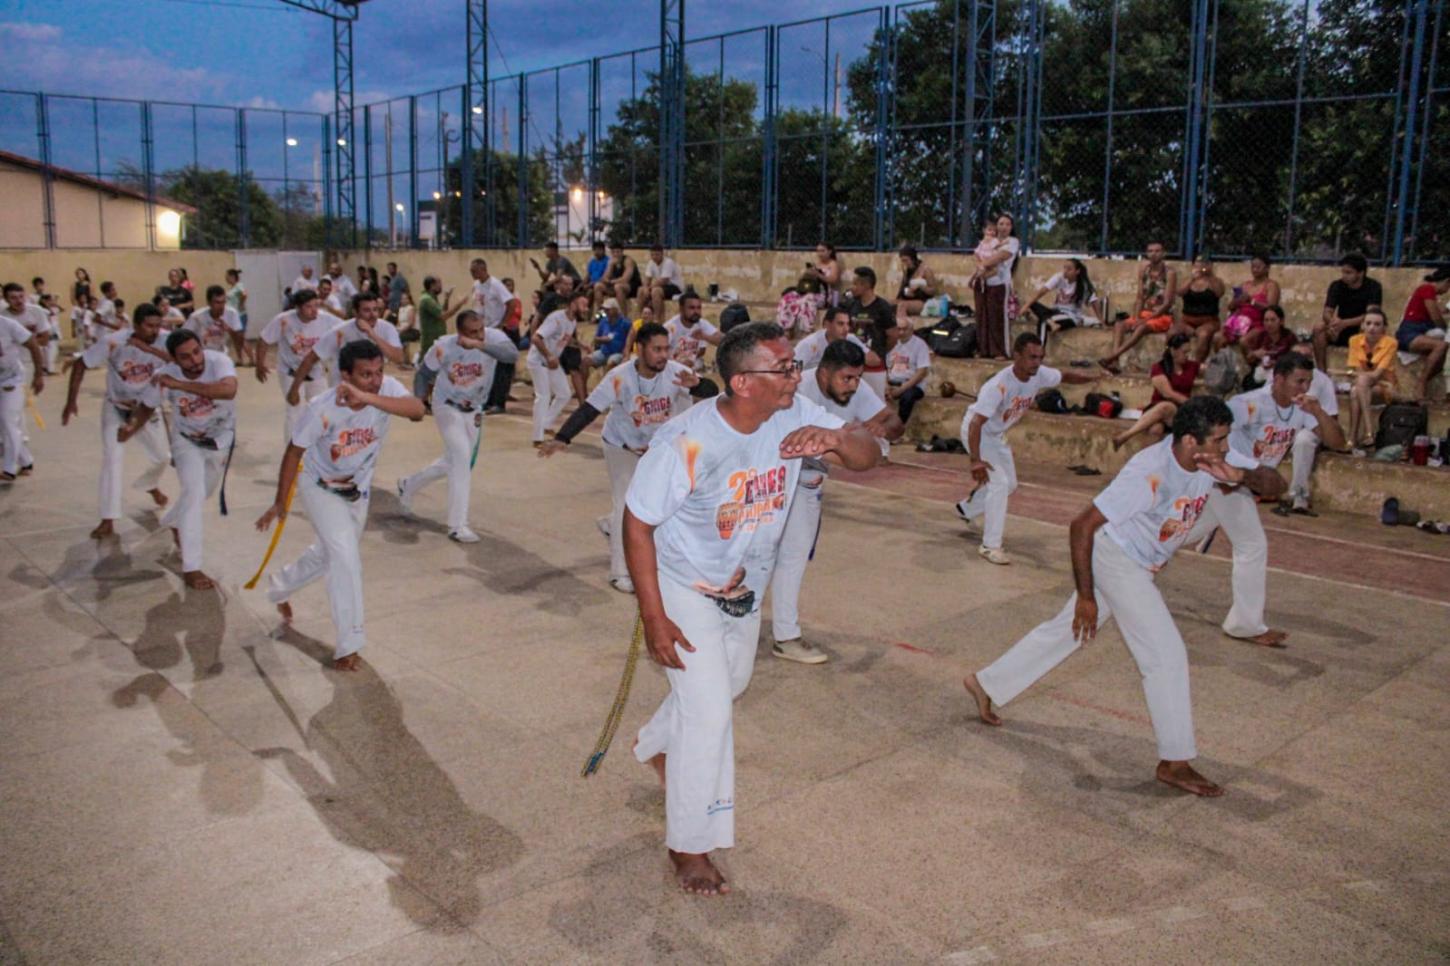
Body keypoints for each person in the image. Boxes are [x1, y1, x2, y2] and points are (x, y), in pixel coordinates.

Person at [623, 321, 880, 896]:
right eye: (783, 368)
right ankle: (689, 845)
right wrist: (653, 616)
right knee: (711, 711)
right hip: (682, 586)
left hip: (742, 589)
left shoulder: (792, 417)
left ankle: (657, 743)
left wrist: (835, 440)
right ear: (742, 382)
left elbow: (871, 453)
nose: (796, 375)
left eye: (794, 365)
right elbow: (637, 522)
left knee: (729, 684)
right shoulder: (687, 441)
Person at [963, 396, 1284, 797]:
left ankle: (986, 684)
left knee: (1068, 632)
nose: (1224, 446)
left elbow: (1277, 485)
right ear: (1189, 441)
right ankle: (1175, 761)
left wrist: (1240, 475)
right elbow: (1081, 526)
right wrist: (1086, 597)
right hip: (1115, 559)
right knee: (1165, 655)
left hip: (1142, 562)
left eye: (1225, 439)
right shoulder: (1148, 473)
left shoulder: (1218, 454)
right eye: (1218, 440)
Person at [257, 340, 423, 672]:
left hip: (357, 489)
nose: (375, 380)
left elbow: (418, 411)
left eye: (378, 373)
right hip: (319, 488)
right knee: (345, 558)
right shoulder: (322, 407)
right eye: (365, 375)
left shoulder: (384, 389)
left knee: (328, 553)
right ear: (344, 375)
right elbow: (294, 452)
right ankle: (349, 642)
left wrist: (369, 396)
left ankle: (280, 587)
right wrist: (280, 500)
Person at [538, 321, 699, 591]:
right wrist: (562, 438)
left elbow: (712, 396)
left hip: (656, 450)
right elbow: (590, 408)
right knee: (626, 505)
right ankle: (620, 573)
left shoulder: (677, 373)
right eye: (656, 349)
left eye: (666, 349)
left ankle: (610, 525)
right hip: (620, 447)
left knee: (663, 504)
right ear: (640, 349)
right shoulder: (620, 376)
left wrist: (698, 385)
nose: (663, 355)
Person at [769, 340, 901, 664]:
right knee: (753, 551)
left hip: (808, 480)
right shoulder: (797, 390)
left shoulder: (857, 390)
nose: (854, 386)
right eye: (847, 379)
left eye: (858, 378)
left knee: (794, 556)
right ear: (824, 373)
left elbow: (895, 425)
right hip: (771, 476)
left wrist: (877, 427)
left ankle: (785, 636)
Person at [1203, 353, 1346, 645]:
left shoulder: (1303, 408)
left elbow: (1337, 442)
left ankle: (1245, 624)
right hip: (1221, 480)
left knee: (1183, 533)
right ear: (1278, 379)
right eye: (1298, 381)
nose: (1303, 387)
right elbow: (1212, 435)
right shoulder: (1249, 404)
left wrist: (1318, 412)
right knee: (1250, 545)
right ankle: (1245, 624)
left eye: (1308, 382)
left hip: (1242, 485)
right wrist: (1240, 471)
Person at [956, 333, 1102, 565]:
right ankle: (990, 545)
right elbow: (976, 423)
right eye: (1031, 357)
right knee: (1000, 484)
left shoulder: (1040, 374)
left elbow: (1064, 376)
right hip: (978, 433)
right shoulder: (998, 385)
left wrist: (1091, 378)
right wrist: (975, 460)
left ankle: (967, 508)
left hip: (995, 435)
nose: (1036, 362)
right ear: (1017, 356)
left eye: (1040, 357)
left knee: (1010, 484)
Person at [125, 329, 237, 589]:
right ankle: (192, 566)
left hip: (220, 439)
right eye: (185, 357)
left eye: (197, 352)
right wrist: (132, 427)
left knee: (202, 493)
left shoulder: (219, 362)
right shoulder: (162, 376)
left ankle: (172, 521)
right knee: (194, 493)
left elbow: (228, 391)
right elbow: (146, 406)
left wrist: (180, 386)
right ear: (174, 360)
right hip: (187, 442)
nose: (195, 360)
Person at [398, 310, 519, 543]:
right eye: (473, 332)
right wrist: (418, 400)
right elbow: (423, 374)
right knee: (461, 457)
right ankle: (457, 525)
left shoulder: (492, 338)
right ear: (460, 333)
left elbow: (511, 355)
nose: (479, 334)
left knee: (455, 462)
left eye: (481, 329)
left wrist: (480, 344)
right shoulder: (444, 347)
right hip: (447, 406)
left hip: (474, 408)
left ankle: (409, 483)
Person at [61, 303, 172, 537]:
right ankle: (108, 518)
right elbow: (81, 365)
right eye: (149, 326)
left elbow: (179, 363)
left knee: (162, 457)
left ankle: (148, 484)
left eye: (158, 325)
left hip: (147, 408)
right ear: (135, 325)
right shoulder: (114, 341)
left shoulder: (166, 340)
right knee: (112, 459)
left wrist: (148, 349)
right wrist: (71, 401)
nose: (154, 330)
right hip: (116, 407)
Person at [286, 292, 403, 403]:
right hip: (342, 391)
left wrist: (372, 334)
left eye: (375, 310)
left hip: (371, 391)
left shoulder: (387, 329)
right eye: (366, 310)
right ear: (355, 312)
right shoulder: (339, 331)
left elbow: (398, 358)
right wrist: (294, 388)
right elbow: (310, 359)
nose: (372, 315)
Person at [254, 290, 338, 442]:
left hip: (316, 371)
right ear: (298, 308)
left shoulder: (325, 319)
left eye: (315, 305)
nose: (314, 310)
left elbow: (345, 327)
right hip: (290, 372)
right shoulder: (284, 320)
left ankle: (318, 446)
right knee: (294, 411)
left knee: (321, 409)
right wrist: (259, 364)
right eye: (308, 307)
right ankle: (292, 452)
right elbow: (264, 339)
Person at [1099, 240, 1178, 372]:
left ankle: (1112, 357)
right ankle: (1115, 362)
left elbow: (1167, 303)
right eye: (1151, 251)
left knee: (1141, 327)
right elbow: (1140, 297)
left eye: (1157, 251)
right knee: (1119, 325)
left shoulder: (1170, 273)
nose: (1154, 254)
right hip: (1145, 313)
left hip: (1162, 316)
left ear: (1163, 254)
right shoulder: (1144, 270)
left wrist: (1143, 320)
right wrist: (1136, 317)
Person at [1113, 333, 1197, 450]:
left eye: (1189, 352)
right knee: (1155, 430)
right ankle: (1147, 464)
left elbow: (1210, 369)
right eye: (1184, 352)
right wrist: (1190, 402)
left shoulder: (1192, 366)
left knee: (1166, 407)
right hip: (1156, 410)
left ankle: (1126, 435)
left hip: (1180, 411)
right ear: (1173, 351)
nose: (1187, 356)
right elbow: (1167, 393)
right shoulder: (1159, 367)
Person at [528, 290, 589, 444]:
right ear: (573, 303)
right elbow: (536, 337)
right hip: (538, 361)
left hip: (551, 362)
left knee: (564, 394)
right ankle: (537, 437)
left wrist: (581, 345)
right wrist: (548, 355)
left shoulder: (572, 321)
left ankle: (546, 423)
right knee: (543, 396)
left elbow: (565, 339)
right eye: (583, 305)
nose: (586, 309)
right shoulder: (556, 318)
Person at [1312, 253, 1383, 371]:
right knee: (1319, 328)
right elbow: (1327, 312)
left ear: (1360, 273)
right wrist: (1333, 323)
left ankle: (1362, 371)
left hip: (1358, 327)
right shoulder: (1337, 286)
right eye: (1343, 272)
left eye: (1349, 273)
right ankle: (1322, 372)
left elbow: (1371, 315)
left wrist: (1345, 323)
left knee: (1367, 328)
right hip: (1339, 329)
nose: (1344, 276)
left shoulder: (1373, 287)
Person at [0, 306, 44, 482]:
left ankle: (9, 469)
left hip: (12, 380)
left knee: (8, 421)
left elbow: (34, 345)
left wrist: (39, 375)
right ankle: (26, 461)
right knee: (5, 425)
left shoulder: (8, 325)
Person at [840, 266, 897, 398]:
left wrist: (880, 351)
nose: (852, 287)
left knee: (875, 404)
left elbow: (893, 335)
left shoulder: (882, 307)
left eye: (855, 283)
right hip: (853, 364)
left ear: (865, 285)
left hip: (874, 366)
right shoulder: (851, 305)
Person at [1346, 307, 1397, 453]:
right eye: (1368, 323)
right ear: (1362, 325)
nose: (1372, 328)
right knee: (1356, 390)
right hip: (1364, 387)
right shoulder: (1354, 340)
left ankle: (1357, 436)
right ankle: (1365, 434)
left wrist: (1362, 378)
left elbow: (1376, 374)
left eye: (1377, 324)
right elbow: (1358, 370)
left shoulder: (1390, 343)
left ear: (1384, 328)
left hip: (1385, 386)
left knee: (1358, 387)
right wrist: (1362, 379)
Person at [1395, 265, 1449, 402]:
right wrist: (1446, 327)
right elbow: (1435, 317)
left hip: (1419, 331)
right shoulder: (1427, 289)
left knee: (1443, 353)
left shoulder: (1430, 293)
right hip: (1409, 333)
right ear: (1446, 281)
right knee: (1441, 346)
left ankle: (1424, 380)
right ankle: (1421, 383)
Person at [973, 213, 1020, 360]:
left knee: (998, 318)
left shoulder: (1012, 242)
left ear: (1011, 227)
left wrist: (983, 265)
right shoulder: (989, 240)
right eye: (1001, 224)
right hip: (983, 283)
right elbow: (977, 254)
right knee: (982, 316)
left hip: (1000, 283)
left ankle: (1000, 351)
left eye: (1007, 224)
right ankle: (984, 349)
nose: (1003, 227)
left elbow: (1001, 256)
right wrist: (979, 266)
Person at [1021, 258, 1100, 339]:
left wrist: (1102, 321)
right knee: (1032, 304)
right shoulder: (1059, 277)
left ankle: (1040, 349)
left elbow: (1094, 302)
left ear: (1077, 271)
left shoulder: (1083, 285)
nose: (1065, 271)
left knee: (1043, 322)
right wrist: (1025, 306)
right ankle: (1050, 322)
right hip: (1055, 311)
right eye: (1064, 268)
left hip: (1070, 317)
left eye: (1069, 269)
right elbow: (1043, 291)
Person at [413, 276, 464, 403]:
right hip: (430, 341)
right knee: (427, 371)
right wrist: (460, 304)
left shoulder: (431, 299)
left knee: (434, 371)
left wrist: (446, 298)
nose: (441, 286)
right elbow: (443, 316)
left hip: (436, 340)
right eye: (438, 284)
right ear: (431, 285)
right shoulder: (426, 300)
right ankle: (422, 400)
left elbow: (441, 311)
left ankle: (427, 400)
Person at [663, 291, 722, 381]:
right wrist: (678, 363)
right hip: (670, 371)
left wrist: (705, 337)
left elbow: (724, 340)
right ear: (681, 309)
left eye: (699, 308)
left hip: (693, 372)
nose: (696, 311)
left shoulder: (701, 324)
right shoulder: (670, 327)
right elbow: (660, 352)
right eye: (692, 308)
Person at [1174, 254, 1224, 360]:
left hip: (1209, 321)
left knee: (1203, 335)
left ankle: (1196, 365)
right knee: (1172, 332)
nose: (1201, 265)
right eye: (1198, 262)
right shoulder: (1188, 280)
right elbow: (1179, 292)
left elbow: (1219, 293)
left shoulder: (1215, 281)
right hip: (1187, 320)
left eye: (1204, 262)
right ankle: (1172, 362)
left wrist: (1209, 276)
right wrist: (1192, 279)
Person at [1221, 254, 1279, 345]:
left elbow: (1272, 309)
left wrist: (1251, 301)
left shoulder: (1271, 285)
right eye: (1253, 267)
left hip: (1258, 323)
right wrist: (1237, 301)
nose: (1255, 269)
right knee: (1218, 338)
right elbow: (1230, 307)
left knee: (1244, 341)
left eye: (1258, 267)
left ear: (1267, 268)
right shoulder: (1245, 285)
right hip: (1239, 322)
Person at [885, 315, 932, 423]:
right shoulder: (891, 343)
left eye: (904, 329)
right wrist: (886, 385)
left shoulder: (920, 345)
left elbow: (922, 372)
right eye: (898, 329)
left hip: (912, 384)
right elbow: (885, 367)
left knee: (907, 397)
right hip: (892, 381)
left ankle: (899, 426)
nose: (901, 332)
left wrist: (902, 389)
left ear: (911, 329)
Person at [793, 306, 870, 371]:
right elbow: (793, 368)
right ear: (827, 324)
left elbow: (872, 360)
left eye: (848, 324)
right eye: (841, 324)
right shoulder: (810, 343)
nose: (846, 329)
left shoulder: (850, 339)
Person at [1240, 305, 1296, 387]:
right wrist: (1255, 354)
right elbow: (1250, 359)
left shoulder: (1289, 337)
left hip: (1281, 373)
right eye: (1266, 320)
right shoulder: (1261, 336)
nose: (1269, 324)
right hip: (1263, 373)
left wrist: (1277, 363)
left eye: (1273, 320)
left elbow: (1295, 360)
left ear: (1281, 321)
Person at [184, 285, 246, 359]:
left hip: (222, 353)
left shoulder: (231, 313)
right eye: (217, 302)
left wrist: (229, 329)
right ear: (209, 303)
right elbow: (183, 336)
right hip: (202, 355)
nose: (221, 306)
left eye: (223, 302)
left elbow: (240, 341)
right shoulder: (196, 317)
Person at [1, 283, 52, 372]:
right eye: (13, 298)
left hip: (31, 361)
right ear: (6, 299)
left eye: (21, 296)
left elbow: (45, 340)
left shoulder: (36, 311)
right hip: (10, 364)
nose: (19, 301)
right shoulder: (3, 317)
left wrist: (20, 341)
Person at [893, 245, 940, 318]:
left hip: (922, 301)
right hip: (908, 299)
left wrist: (921, 287)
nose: (904, 263)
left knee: (902, 306)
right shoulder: (907, 271)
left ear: (912, 258)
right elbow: (902, 291)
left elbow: (933, 290)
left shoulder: (925, 270)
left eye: (906, 260)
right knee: (887, 303)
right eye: (902, 261)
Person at [643, 244, 685, 323]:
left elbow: (664, 280)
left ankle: (657, 319)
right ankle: (641, 317)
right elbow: (647, 278)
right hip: (662, 287)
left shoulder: (668, 262)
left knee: (656, 291)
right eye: (652, 255)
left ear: (662, 254)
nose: (654, 257)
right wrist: (645, 288)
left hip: (674, 287)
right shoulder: (651, 263)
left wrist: (649, 288)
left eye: (657, 254)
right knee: (641, 291)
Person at [601, 241, 642, 319]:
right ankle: (601, 314)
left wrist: (610, 282)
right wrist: (610, 265)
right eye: (613, 252)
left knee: (618, 287)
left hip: (632, 286)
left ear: (622, 252)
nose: (616, 254)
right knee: (598, 286)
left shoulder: (628, 261)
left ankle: (623, 316)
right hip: (617, 285)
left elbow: (625, 279)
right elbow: (604, 278)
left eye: (618, 252)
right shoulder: (611, 262)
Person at [588, 298, 631, 372]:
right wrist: (602, 339)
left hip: (618, 353)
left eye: (608, 310)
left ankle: (607, 383)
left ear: (615, 309)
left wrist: (627, 350)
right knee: (585, 361)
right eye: (605, 310)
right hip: (603, 352)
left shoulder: (625, 323)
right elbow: (596, 338)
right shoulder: (603, 321)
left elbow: (631, 336)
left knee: (611, 362)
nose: (605, 312)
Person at [796, 242, 842, 308]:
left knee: (805, 301)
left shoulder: (833, 264)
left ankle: (804, 318)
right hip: (810, 291)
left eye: (822, 251)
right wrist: (806, 274)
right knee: (788, 297)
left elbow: (833, 280)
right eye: (818, 251)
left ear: (829, 251)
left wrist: (818, 274)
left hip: (823, 295)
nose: (820, 254)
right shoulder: (816, 264)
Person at [395, 291, 419, 366]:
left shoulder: (411, 308)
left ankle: (403, 360)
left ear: (409, 300)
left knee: (400, 337)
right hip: (402, 330)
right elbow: (399, 323)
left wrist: (401, 330)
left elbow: (410, 324)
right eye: (402, 298)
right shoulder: (400, 309)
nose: (403, 300)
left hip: (412, 331)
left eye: (405, 298)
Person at [585, 240, 610, 310]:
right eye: (595, 250)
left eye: (599, 250)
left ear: (604, 250)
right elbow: (588, 276)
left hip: (604, 285)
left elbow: (605, 277)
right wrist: (581, 286)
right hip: (591, 285)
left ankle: (600, 314)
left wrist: (590, 284)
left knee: (596, 288)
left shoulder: (608, 261)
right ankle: (583, 315)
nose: (597, 252)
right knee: (587, 292)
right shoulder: (592, 262)